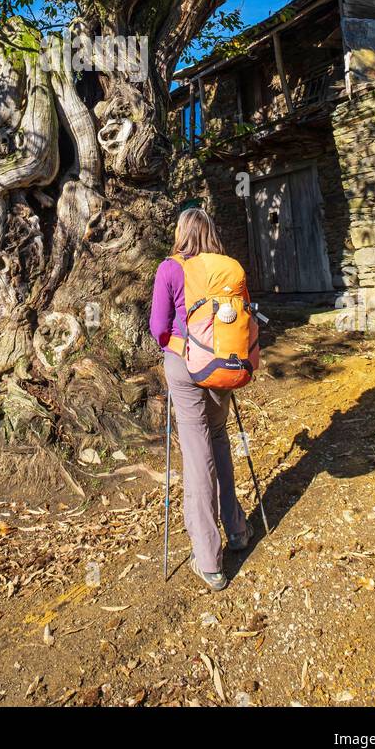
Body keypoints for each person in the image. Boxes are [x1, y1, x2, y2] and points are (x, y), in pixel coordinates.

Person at [149, 207, 252, 591]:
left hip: (185, 366)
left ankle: (209, 560)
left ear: (181, 233)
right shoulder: (228, 268)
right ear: (210, 232)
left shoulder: (170, 268)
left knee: (197, 454)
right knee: (219, 439)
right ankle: (237, 530)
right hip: (223, 365)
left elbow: (158, 326)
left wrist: (177, 347)